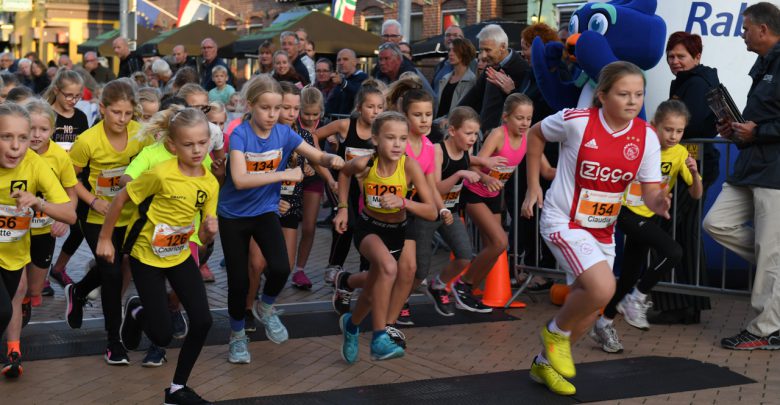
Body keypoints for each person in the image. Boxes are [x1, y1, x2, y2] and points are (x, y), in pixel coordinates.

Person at [521, 61, 670, 396]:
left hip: (603, 229)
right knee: (603, 288)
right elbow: (535, 135)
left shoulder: (646, 136)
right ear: (602, 95)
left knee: (590, 309)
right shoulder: (577, 121)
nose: (632, 101)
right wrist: (533, 186)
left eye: (638, 94)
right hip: (564, 220)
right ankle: (555, 333)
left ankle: (544, 364)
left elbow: (649, 191)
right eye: (623, 94)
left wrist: (658, 200)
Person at [218, 75, 343, 363]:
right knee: (238, 281)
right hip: (233, 215)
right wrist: (284, 174)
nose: (272, 114)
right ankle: (237, 336)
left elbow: (316, 155)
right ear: (251, 106)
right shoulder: (240, 135)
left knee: (280, 267)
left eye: (277, 108)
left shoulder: (284, 134)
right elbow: (240, 179)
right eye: (266, 108)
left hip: (264, 211)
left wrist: (333, 161)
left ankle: (266, 306)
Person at [97, 106, 217, 404]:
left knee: (203, 321)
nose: (197, 150)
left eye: (202, 143)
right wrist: (105, 238)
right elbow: (121, 198)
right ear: (173, 146)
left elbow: (202, 236)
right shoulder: (161, 174)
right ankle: (137, 311)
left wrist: (209, 232)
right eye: (188, 144)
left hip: (179, 255)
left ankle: (176, 389)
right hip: (146, 256)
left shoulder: (210, 182)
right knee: (162, 336)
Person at [590, 99, 702, 353]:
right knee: (673, 252)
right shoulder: (639, 145)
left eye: (679, 131)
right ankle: (637, 298)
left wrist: (694, 173)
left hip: (649, 215)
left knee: (629, 275)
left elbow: (696, 194)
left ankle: (604, 324)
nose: (673, 136)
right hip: (624, 211)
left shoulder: (681, 153)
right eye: (668, 129)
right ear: (654, 126)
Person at [704, 2, 780, 351]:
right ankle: (773, 266)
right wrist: (734, 130)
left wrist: (757, 131)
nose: (742, 34)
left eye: (746, 28)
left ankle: (765, 329)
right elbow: (759, 120)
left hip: (774, 172)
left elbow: (765, 125)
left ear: (764, 29)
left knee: (770, 253)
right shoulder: (764, 63)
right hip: (750, 166)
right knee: (716, 223)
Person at [335, 111, 436, 363]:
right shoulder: (364, 164)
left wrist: (404, 202)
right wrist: (343, 208)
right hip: (369, 229)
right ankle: (380, 337)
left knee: (372, 293)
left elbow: (431, 211)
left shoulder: (409, 167)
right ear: (375, 139)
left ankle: (351, 325)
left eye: (402, 138)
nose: (397, 144)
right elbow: (344, 174)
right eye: (390, 138)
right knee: (389, 268)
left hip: (397, 232)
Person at [64, 80, 153, 365]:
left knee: (116, 268)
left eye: (128, 113)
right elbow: (70, 179)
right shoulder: (87, 141)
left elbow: (154, 163)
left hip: (130, 214)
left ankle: (78, 291)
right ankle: (114, 342)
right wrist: (92, 201)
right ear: (102, 108)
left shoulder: (140, 134)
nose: (122, 119)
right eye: (116, 112)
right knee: (112, 274)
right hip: (96, 216)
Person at [0, 104, 76, 379]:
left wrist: (38, 202)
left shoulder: (35, 164)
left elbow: (69, 214)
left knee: (16, 297)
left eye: (22, 137)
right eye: (6, 137)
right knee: (2, 309)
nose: (16, 146)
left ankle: (13, 350)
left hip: (14, 252)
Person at [650, 31, 720, 324]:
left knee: (669, 231)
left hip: (692, 167)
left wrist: (659, 129)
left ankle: (678, 304)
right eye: (671, 56)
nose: (675, 61)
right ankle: (686, 304)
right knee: (683, 233)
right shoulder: (689, 81)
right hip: (689, 166)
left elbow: (687, 126)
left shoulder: (697, 83)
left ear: (697, 57)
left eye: (681, 56)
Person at [316, 82, 385, 286]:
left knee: (367, 224)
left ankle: (366, 267)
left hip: (366, 188)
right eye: (370, 106)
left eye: (380, 107)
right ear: (359, 108)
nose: (375, 111)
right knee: (348, 223)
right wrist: (322, 158)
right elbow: (314, 135)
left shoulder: (382, 132)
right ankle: (334, 265)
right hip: (340, 184)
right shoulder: (345, 125)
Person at [422, 106, 480, 315]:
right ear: (453, 131)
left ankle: (438, 285)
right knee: (419, 268)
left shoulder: (467, 150)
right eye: (468, 133)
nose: (473, 138)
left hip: (451, 211)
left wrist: (486, 177)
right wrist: (459, 175)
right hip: (428, 211)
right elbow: (435, 188)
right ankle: (402, 302)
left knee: (464, 255)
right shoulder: (438, 151)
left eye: (475, 134)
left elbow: (469, 164)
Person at [45, 69, 91, 291]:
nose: (73, 100)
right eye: (68, 95)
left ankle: (59, 268)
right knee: (47, 230)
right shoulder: (47, 114)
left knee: (79, 228)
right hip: (48, 182)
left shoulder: (81, 117)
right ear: (56, 90)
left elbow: (87, 149)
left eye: (77, 96)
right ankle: (41, 274)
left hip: (74, 182)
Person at [458, 24, 532, 133]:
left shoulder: (522, 69)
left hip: (506, 138)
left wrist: (511, 92)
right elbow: (472, 98)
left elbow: (526, 107)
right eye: (481, 50)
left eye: (488, 50)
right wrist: (453, 117)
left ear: (502, 47)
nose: (483, 55)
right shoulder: (491, 67)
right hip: (485, 134)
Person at [289, 87, 327, 288]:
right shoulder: (292, 124)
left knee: (309, 226)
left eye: (315, 114)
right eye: (306, 114)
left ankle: (300, 269)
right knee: (287, 221)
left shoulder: (325, 126)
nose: (311, 118)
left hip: (314, 178)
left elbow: (325, 157)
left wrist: (334, 146)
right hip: (290, 178)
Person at [435, 38, 477, 119]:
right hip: (437, 122)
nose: (450, 54)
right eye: (449, 50)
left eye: (455, 50)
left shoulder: (471, 80)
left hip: (453, 123)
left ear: (464, 52)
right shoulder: (445, 78)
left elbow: (462, 108)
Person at [325, 49, 368, 116]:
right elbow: (331, 105)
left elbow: (358, 93)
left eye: (345, 59)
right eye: (338, 60)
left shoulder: (364, 78)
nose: (341, 62)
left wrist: (343, 83)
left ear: (354, 62)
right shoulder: (339, 81)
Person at [432, 25, 466, 94]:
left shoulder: (469, 62)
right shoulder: (441, 65)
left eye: (455, 35)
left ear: (462, 39)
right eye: (448, 35)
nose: (451, 38)